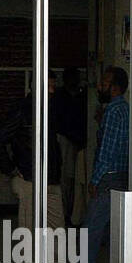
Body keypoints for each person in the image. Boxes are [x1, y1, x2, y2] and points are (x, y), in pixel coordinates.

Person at [0, 77, 69, 263]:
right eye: (49, 86)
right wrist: (11, 169)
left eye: (54, 85)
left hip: (51, 181)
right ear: (37, 87)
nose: (53, 90)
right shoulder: (22, 110)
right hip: (29, 182)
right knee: (29, 233)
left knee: (57, 230)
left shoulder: (51, 110)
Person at [56, 66, 129, 263]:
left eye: (104, 83)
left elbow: (107, 150)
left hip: (108, 177)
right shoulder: (125, 109)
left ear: (115, 87)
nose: (99, 86)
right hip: (123, 177)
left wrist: (95, 179)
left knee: (88, 233)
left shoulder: (113, 112)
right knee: (116, 233)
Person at [52, 67, 88, 225]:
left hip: (80, 141)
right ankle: (66, 213)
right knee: (66, 179)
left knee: (78, 179)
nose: (75, 81)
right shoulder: (60, 96)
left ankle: (75, 214)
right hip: (65, 139)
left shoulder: (82, 96)